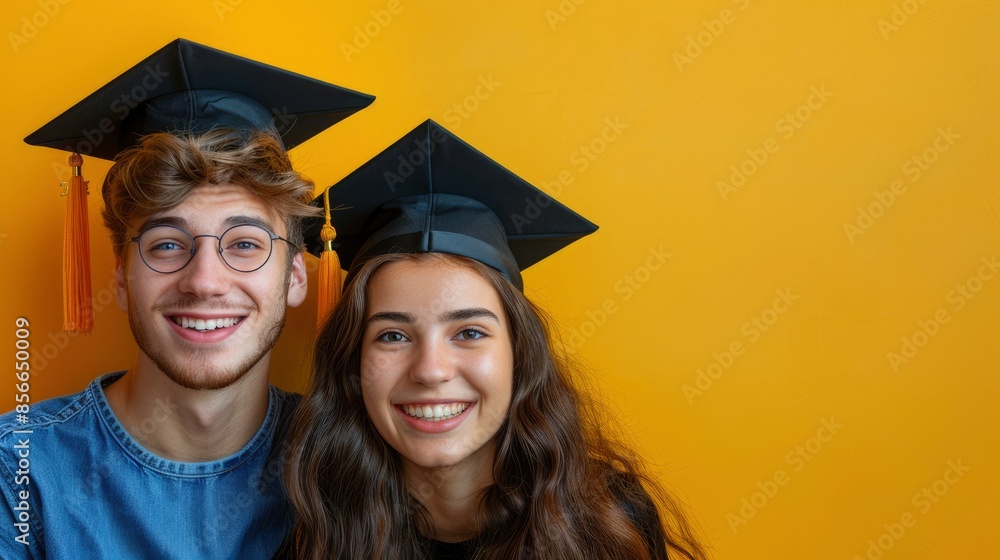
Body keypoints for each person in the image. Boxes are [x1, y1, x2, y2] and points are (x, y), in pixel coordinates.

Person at [0, 39, 373, 559]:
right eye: (167, 245)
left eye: (244, 244)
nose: (204, 281)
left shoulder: (350, 465)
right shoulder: (18, 472)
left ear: (294, 277)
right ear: (122, 279)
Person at [282, 120, 707, 559]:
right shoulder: (315, 531)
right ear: (353, 361)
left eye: (469, 332)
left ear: (519, 354)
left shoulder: (610, 523)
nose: (431, 370)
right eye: (393, 335)